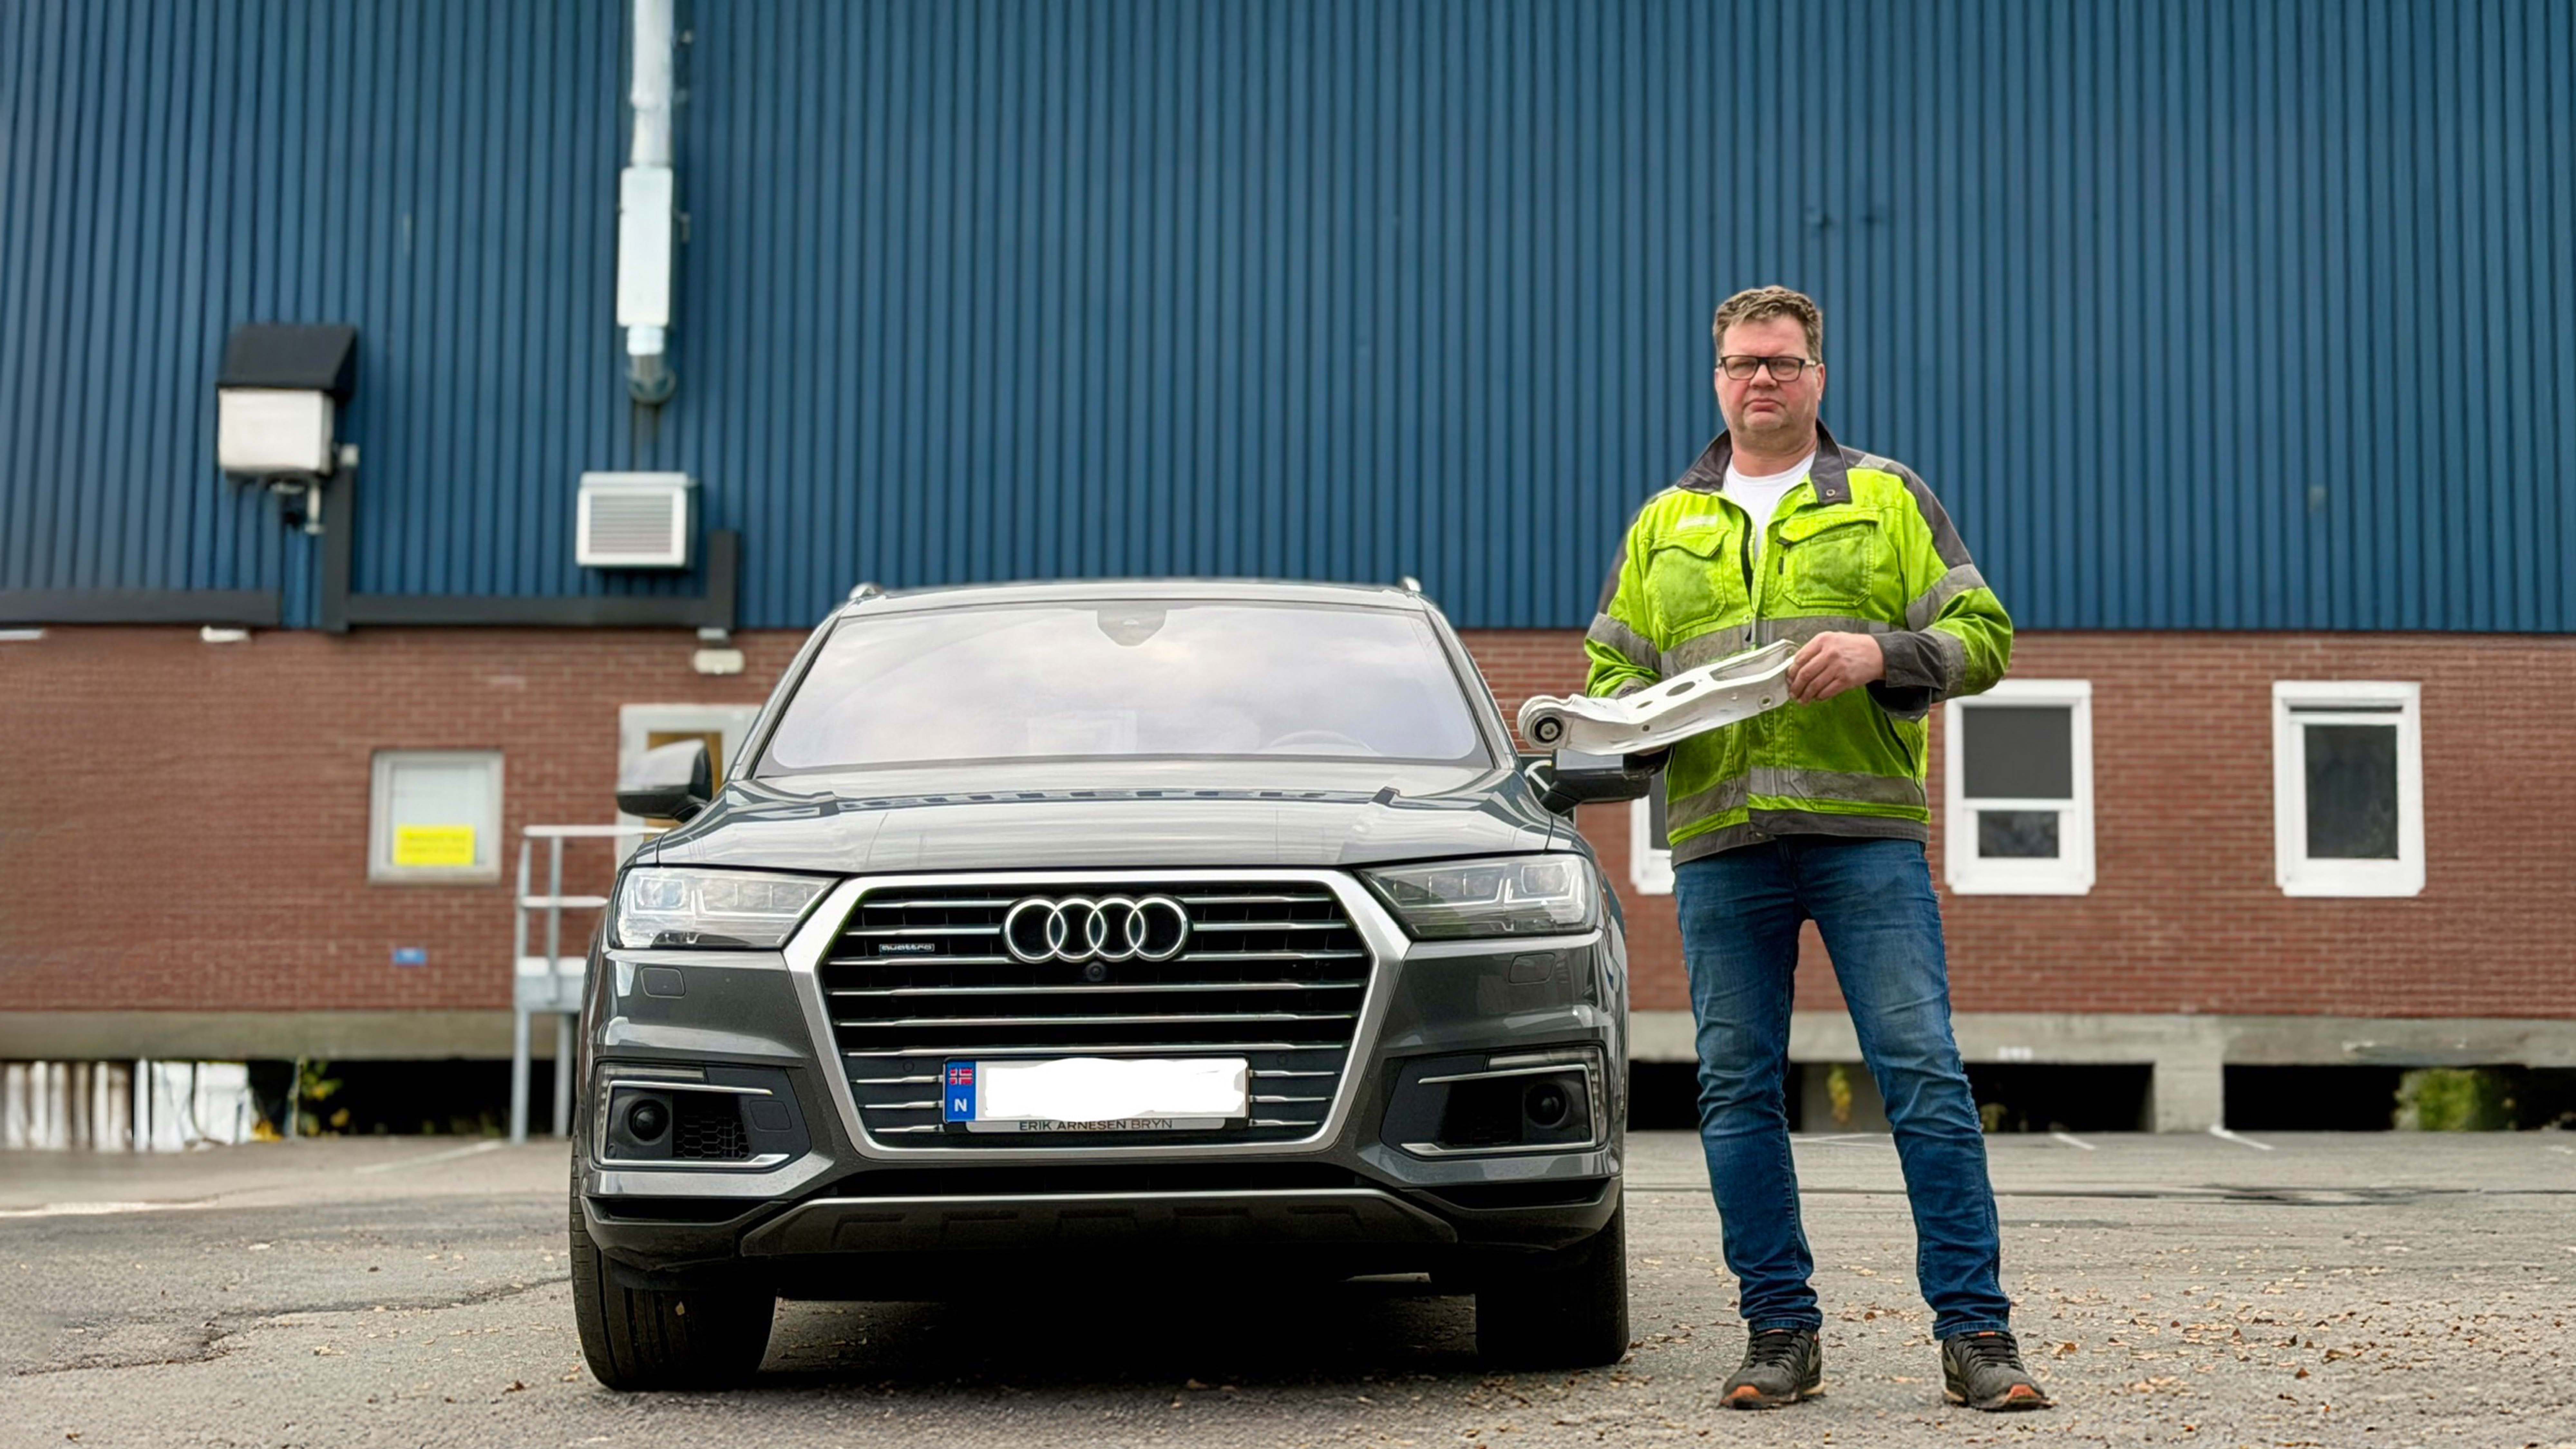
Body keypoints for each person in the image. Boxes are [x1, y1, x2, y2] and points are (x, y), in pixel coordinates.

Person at [1584, 285, 2048, 1412]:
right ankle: (1779, 1333)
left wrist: (1884, 653)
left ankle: (1978, 1337)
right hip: (1720, 844)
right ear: (1718, 379)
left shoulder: (1888, 497)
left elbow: (1985, 637)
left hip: (1864, 838)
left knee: (1922, 1074)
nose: (1763, 379)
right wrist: (1604, 729)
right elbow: (1613, 678)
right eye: (1744, 362)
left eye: (1783, 362)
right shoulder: (1663, 526)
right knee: (1737, 1090)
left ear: (1817, 378)